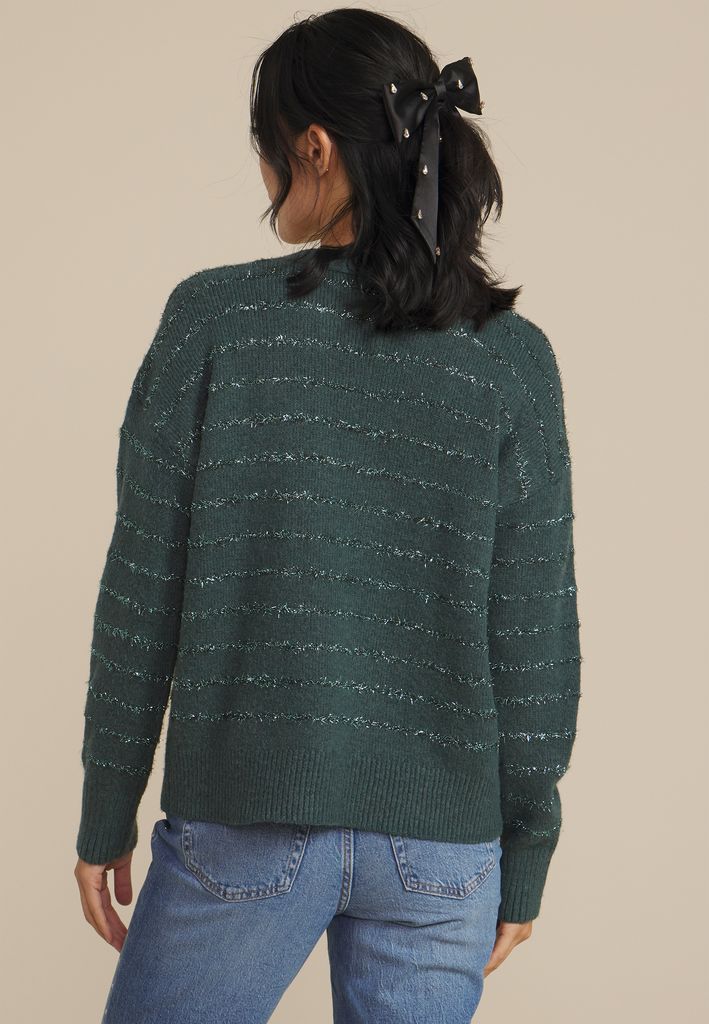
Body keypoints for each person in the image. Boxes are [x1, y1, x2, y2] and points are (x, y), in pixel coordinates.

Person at [74, 8, 582, 1023]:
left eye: (266, 147)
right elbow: (533, 632)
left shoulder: (214, 321)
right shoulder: (509, 357)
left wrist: (105, 811)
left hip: (248, 819)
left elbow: (142, 590)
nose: (264, 177)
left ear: (312, 146)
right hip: (443, 853)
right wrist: (525, 849)